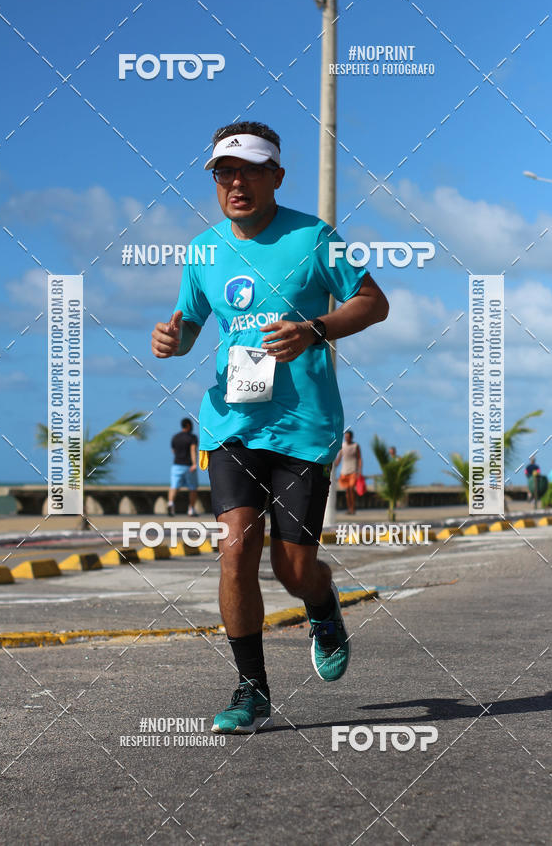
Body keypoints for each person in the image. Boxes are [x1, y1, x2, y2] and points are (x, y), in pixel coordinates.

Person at [151, 121, 388, 734]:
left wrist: (315, 329)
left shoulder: (315, 237)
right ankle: (251, 690)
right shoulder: (202, 250)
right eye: (225, 173)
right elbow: (192, 323)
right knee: (235, 547)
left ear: (276, 176)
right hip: (232, 419)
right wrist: (173, 340)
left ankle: (321, 602)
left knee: (293, 567)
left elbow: (374, 302)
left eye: (250, 170)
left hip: (304, 425)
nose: (236, 183)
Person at [168, 418, 199, 516]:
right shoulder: (192, 437)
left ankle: (170, 504)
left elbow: (173, 451)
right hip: (188, 466)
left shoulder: (175, 437)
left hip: (176, 465)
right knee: (193, 488)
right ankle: (191, 509)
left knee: (174, 486)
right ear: (189, 425)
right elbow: (193, 450)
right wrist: (194, 463)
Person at [335, 430, 362, 514]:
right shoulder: (342, 445)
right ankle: (349, 508)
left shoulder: (355, 446)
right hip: (344, 471)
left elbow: (359, 458)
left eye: (348, 436)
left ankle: (352, 508)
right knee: (347, 491)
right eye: (345, 437)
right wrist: (334, 465)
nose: (346, 438)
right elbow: (339, 457)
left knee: (351, 488)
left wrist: (359, 471)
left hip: (353, 470)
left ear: (351, 437)